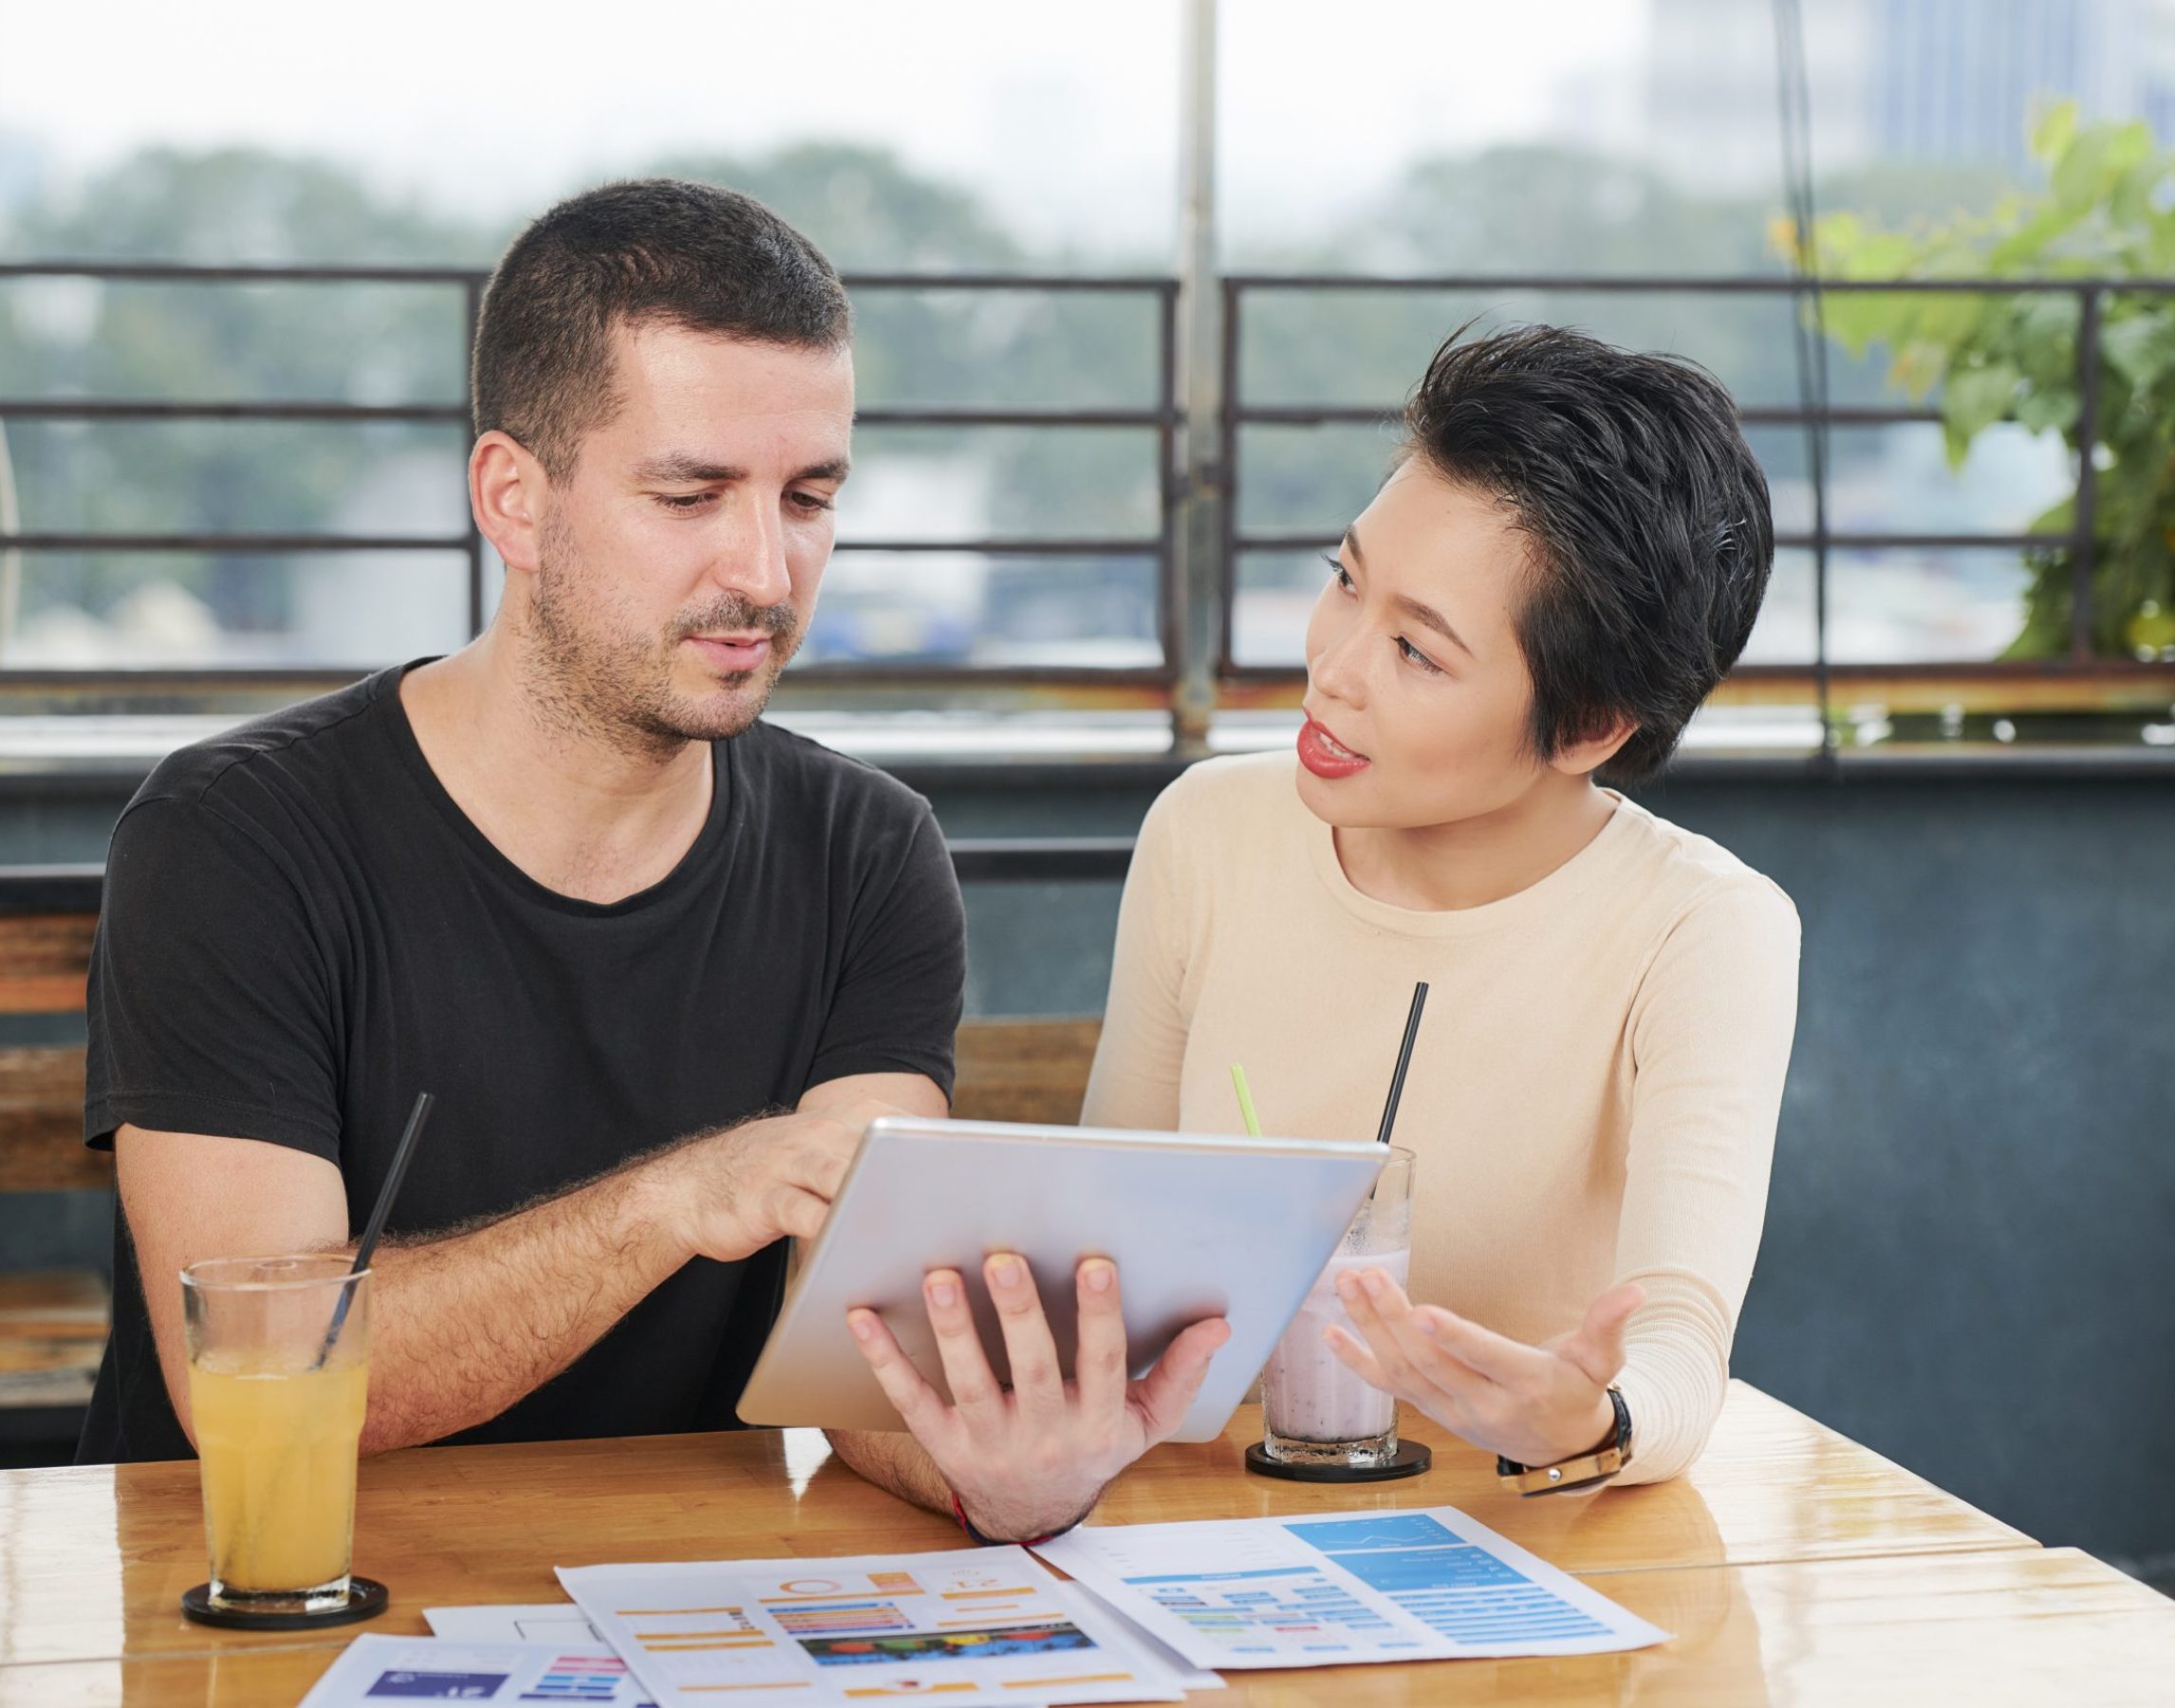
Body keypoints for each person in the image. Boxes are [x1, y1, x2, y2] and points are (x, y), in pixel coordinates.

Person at [81, 178, 1223, 1546]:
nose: (764, 568)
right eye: (690, 494)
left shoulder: (867, 850)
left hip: (673, 1592)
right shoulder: (234, 839)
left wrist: (1011, 1474)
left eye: (808, 496)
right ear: (514, 498)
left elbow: (867, 1382)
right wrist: (678, 1199)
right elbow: (256, 1371)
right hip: (267, 1588)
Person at [1080, 324, 1801, 1487]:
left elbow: (1678, 1349)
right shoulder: (1209, 834)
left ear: (1588, 726)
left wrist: (1589, 1422)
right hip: (1198, 1525)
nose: (1335, 667)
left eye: (1418, 650)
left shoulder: (1703, 928)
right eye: (1346, 582)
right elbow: (1101, 1255)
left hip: (1520, 1557)